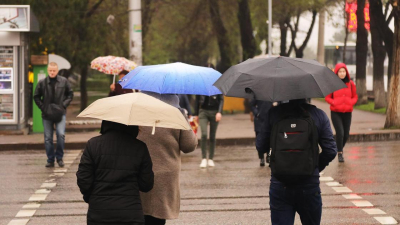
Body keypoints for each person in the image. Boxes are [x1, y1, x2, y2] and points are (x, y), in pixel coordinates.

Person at [256, 99, 337, 225]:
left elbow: (261, 146)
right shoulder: (318, 115)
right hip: (309, 184)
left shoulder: (274, 114)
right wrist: (314, 167)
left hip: (280, 183)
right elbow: (331, 150)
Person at [77, 120, 154, 225]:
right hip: (130, 213)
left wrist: (91, 197)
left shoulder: (93, 144)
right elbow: (146, 185)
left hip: (99, 212)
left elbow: (84, 179)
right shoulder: (140, 147)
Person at [139, 92, 197, 225]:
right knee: (158, 218)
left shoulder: (138, 112)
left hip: (139, 173)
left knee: (141, 214)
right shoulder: (176, 114)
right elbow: (189, 145)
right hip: (165, 175)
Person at [34, 62, 74, 167]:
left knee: (61, 135)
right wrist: (43, 108)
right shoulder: (42, 83)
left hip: (60, 113)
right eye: (50, 70)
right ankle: (50, 159)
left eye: (54, 70)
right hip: (47, 114)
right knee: (48, 138)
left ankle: (59, 158)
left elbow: (70, 94)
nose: (52, 72)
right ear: (48, 71)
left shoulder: (64, 81)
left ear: (57, 70)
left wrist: (63, 106)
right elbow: (36, 96)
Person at [325, 63, 358, 163]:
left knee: (346, 135)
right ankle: (340, 153)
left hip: (347, 112)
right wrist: (334, 102)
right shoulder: (332, 84)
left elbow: (355, 97)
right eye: (340, 71)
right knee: (340, 132)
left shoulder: (351, 84)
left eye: (344, 71)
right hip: (336, 112)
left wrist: (351, 103)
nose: (342, 73)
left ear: (346, 72)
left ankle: (336, 148)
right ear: (337, 73)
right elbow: (327, 97)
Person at [194, 94, 224, 168]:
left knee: (212, 136)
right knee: (204, 134)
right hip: (203, 111)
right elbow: (197, 100)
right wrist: (196, 114)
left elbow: (221, 99)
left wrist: (219, 112)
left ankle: (211, 158)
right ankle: (204, 158)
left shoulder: (217, 85)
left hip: (215, 111)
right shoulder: (201, 85)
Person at [250, 99, 273, 166]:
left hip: (269, 118)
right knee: (260, 139)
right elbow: (252, 104)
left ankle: (269, 156)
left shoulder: (273, 92)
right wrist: (257, 113)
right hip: (259, 120)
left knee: (270, 139)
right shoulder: (257, 92)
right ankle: (261, 158)